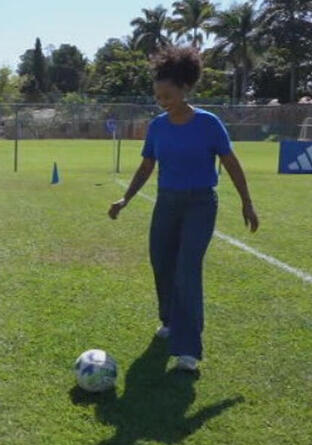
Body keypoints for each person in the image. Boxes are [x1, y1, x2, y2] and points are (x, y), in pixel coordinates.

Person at [108, 47, 259, 372]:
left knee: (187, 270)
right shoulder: (158, 127)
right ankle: (170, 321)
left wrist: (247, 202)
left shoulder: (209, 124)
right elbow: (147, 166)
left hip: (200, 204)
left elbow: (231, 163)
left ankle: (188, 350)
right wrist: (126, 199)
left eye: (167, 94)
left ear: (185, 88)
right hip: (167, 203)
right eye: (158, 96)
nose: (162, 101)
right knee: (162, 264)